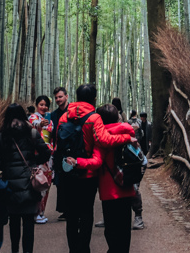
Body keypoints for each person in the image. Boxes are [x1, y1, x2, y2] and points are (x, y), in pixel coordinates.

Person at [54, 83, 132, 253]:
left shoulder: (64, 116)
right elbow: (104, 140)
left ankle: (74, 250)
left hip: (68, 171)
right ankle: (84, 249)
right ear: (94, 98)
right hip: (88, 174)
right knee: (86, 214)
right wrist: (127, 137)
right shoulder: (93, 117)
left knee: (72, 217)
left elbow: (58, 144)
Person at [0, 103, 51, 253]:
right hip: (28, 183)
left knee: (13, 221)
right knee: (28, 222)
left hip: (10, 183)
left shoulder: (1, 136)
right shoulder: (31, 132)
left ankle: (14, 250)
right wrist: (32, 163)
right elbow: (46, 153)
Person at [27, 95, 55, 224]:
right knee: (37, 182)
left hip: (48, 153)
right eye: (41, 104)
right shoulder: (33, 118)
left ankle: (41, 212)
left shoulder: (50, 120)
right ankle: (35, 212)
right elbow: (33, 124)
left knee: (46, 183)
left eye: (46, 105)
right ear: (37, 105)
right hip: (37, 154)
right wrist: (40, 124)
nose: (44, 107)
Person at [49, 87, 70, 221]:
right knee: (60, 182)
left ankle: (72, 209)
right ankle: (64, 210)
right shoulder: (53, 114)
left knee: (71, 181)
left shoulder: (73, 111)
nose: (58, 100)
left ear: (66, 97)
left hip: (70, 150)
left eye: (60, 97)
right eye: (56, 97)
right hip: (58, 151)